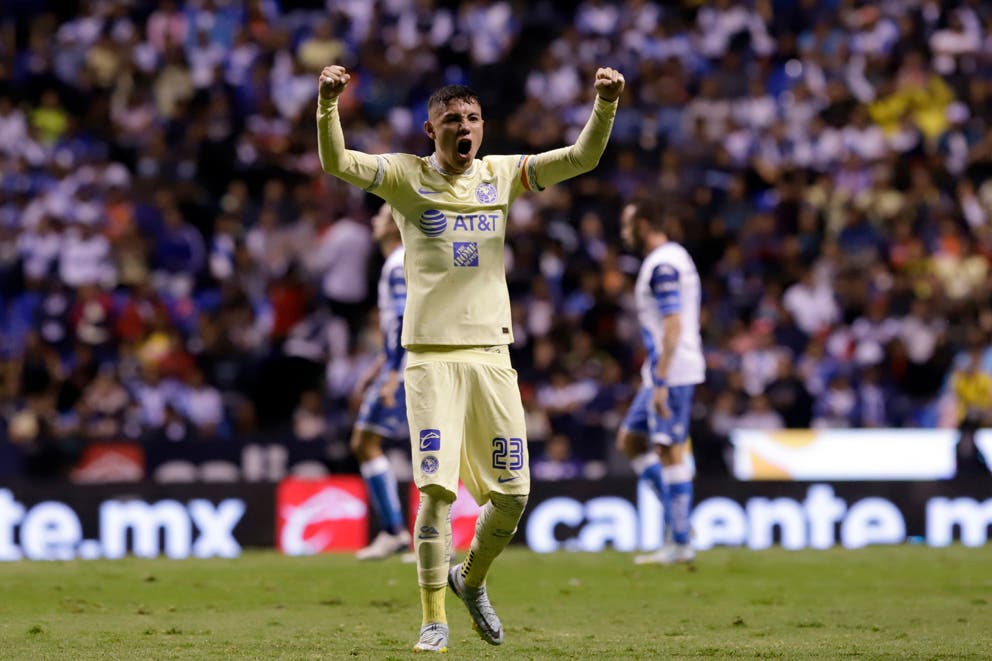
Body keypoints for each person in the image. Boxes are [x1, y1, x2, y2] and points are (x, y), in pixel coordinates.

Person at [317, 63, 623, 653]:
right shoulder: (406, 177)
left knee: (512, 494)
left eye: (473, 118)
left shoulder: (501, 176)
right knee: (436, 491)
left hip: (491, 354)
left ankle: (469, 579)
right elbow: (338, 163)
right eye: (452, 119)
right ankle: (433, 619)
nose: (465, 126)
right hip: (430, 359)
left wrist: (604, 105)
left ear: (484, 127)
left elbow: (581, 158)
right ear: (430, 130)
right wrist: (328, 105)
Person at [616, 198, 704, 565]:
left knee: (668, 449)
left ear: (645, 223)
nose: (624, 232)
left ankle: (680, 542)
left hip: (672, 371)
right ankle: (678, 519)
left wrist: (663, 379)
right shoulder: (668, 259)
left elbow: (673, 323)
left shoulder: (664, 263)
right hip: (660, 371)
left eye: (628, 223)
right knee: (631, 441)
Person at [351, 202, 412, 560]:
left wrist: (391, 376)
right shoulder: (397, 263)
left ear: (394, 225)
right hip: (397, 365)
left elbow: (406, 320)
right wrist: (376, 368)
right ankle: (399, 532)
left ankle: (400, 533)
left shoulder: (397, 264)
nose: (375, 220)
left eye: (381, 216)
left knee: (365, 442)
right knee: (366, 442)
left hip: (404, 369)